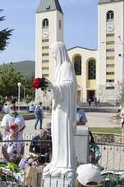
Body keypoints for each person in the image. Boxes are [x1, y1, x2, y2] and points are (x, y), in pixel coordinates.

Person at [43, 42, 78, 177]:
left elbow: (70, 85)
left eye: (53, 52)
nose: (52, 55)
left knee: (63, 135)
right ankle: (57, 161)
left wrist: (55, 88)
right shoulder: (59, 68)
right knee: (57, 136)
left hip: (65, 110)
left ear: (59, 52)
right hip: (58, 108)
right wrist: (51, 87)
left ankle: (66, 165)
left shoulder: (67, 66)